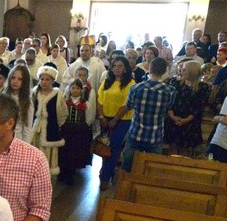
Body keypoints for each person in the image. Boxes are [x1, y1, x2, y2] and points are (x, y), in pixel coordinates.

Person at [121, 57, 176, 172]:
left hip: (136, 132)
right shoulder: (170, 91)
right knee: (151, 169)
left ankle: (125, 188)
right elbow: (168, 107)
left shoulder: (136, 88)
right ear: (164, 71)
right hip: (155, 135)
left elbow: (129, 106)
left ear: (149, 69)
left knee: (127, 167)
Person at [96, 56, 135, 190]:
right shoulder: (107, 81)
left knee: (113, 149)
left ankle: (105, 178)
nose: (117, 68)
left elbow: (126, 105)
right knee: (104, 146)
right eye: (114, 66)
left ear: (125, 69)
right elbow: (100, 99)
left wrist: (115, 119)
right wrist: (101, 117)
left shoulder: (130, 83)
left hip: (121, 120)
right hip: (105, 119)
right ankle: (108, 170)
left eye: (120, 66)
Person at [164, 60, 209, 157]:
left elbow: (199, 107)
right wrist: (172, 116)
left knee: (184, 150)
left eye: (184, 70)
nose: (181, 72)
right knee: (172, 147)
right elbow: (170, 102)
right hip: (173, 119)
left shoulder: (202, 87)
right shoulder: (176, 83)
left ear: (191, 72)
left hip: (190, 122)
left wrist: (186, 120)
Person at [30, 65, 68, 175]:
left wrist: (56, 124)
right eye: (42, 79)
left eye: (47, 79)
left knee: (47, 156)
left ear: (52, 80)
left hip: (50, 130)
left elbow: (63, 113)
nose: (44, 82)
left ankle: (45, 177)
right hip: (35, 130)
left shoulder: (58, 95)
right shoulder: (34, 92)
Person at [59, 78, 94, 184]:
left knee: (75, 152)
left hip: (79, 132)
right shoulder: (65, 102)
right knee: (65, 151)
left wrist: (85, 126)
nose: (75, 90)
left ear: (81, 90)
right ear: (69, 89)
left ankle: (71, 173)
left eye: (77, 88)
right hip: (67, 130)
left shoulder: (86, 103)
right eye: (73, 88)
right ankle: (63, 172)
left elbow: (90, 117)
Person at [6, 64, 34, 143]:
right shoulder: (3, 97)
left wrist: (26, 149)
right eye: (13, 78)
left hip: (17, 139)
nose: (15, 81)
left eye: (19, 79)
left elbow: (27, 130)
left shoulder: (27, 102)